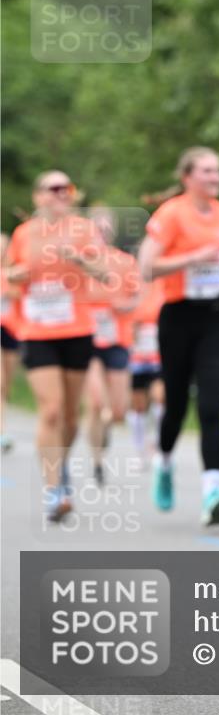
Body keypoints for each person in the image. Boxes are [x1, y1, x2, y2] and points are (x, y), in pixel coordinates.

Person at [138, 146, 219, 526]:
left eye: (218, 171)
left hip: (216, 317)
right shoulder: (171, 215)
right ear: (187, 177)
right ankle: (165, 462)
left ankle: (213, 492)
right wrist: (192, 259)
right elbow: (146, 267)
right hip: (178, 317)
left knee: (212, 404)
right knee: (175, 406)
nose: (215, 177)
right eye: (206, 171)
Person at [5, 172, 109, 521]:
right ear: (38, 197)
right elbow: (8, 277)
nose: (62, 194)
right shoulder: (24, 234)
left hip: (76, 329)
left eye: (68, 188)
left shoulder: (83, 230)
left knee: (70, 415)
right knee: (50, 410)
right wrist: (17, 275)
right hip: (36, 331)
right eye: (54, 189)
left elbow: (105, 272)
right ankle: (54, 490)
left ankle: (60, 466)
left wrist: (78, 259)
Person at [83, 207, 141, 485]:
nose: (101, 233)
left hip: (117, 338)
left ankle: (104, 428)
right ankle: (96, 462)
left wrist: (122, 306)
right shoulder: (80, 262)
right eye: (97, 228)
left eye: (106, 228)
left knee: (118, 410)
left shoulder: (125, 262)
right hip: (86, 338)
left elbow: (136, 298)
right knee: (96, 401)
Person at [127, 277, 166, 464]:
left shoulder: (163, 286)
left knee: (160, 398)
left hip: (157, 356)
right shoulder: (133, 286)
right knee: (139, 405)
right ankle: (138, 447)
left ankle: (157, 442)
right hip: (137, 356)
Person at [1, 232, 21, 451]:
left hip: (12, 329)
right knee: (0, 381)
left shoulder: (14, 273)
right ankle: (3, 430)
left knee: (6, 384)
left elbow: (21, 294)